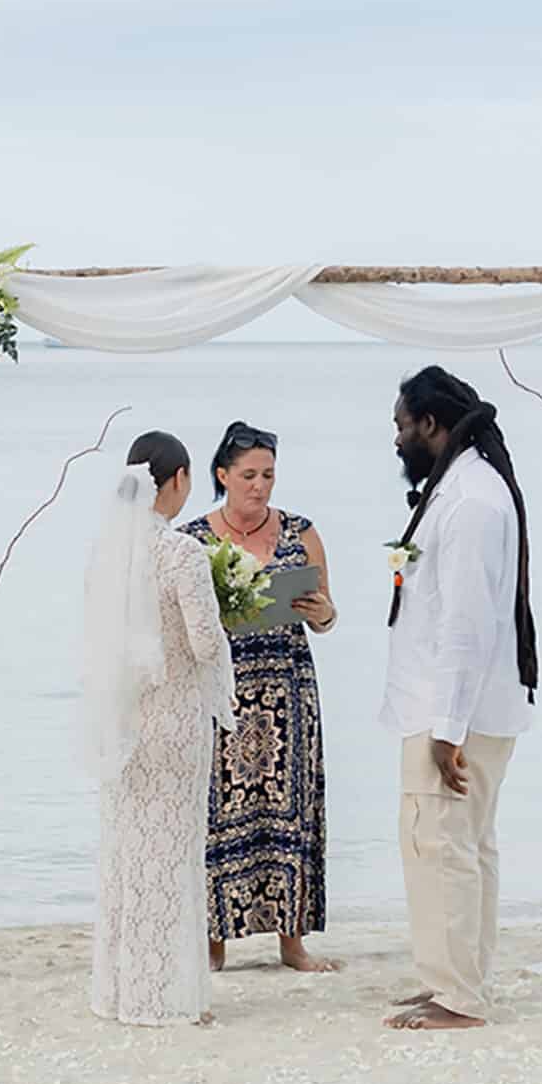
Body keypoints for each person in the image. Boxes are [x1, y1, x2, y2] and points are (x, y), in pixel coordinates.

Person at [381, 367, 537, 1031]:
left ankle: (460, 997)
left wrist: (446, 728)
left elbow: (466, 621)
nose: (395, 438)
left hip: (456, 710)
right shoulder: (463, 487)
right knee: (461, 846)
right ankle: (454, 978)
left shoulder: (471, 499)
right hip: (462, 704)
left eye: (401, 424)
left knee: (444, 845)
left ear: (432, 425)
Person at [85, 432, 237, 1027]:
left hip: (122, 720)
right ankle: (166, 995)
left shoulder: (109, 553)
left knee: (126, 857)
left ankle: (119, 992)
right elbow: (203, 640)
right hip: (173, 722)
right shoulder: (183, 553)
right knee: (171, 859)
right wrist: (227, 637)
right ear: (177, 481)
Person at [182, 421, 341, 974]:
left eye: (268, 474)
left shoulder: (301, 531)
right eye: (248, 475)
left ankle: (292, 944)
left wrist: (323, 614)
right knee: (217, 816)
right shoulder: (192, 541)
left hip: (288, 694)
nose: (260, 486)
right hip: (223, 697)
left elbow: (326, 615)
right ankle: (212, 944)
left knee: (289, 812)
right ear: (222, 475)